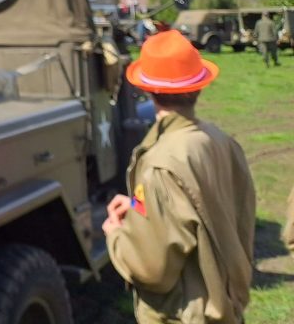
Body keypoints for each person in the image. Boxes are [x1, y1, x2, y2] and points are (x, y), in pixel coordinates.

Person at [102, 30, 256, 324]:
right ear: (198, 86)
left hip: (185, 314)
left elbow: (152, 269)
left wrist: (117, 235)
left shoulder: (160, 165)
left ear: (148, 89)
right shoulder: (221, 140)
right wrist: (138, 208)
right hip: (226, 306)